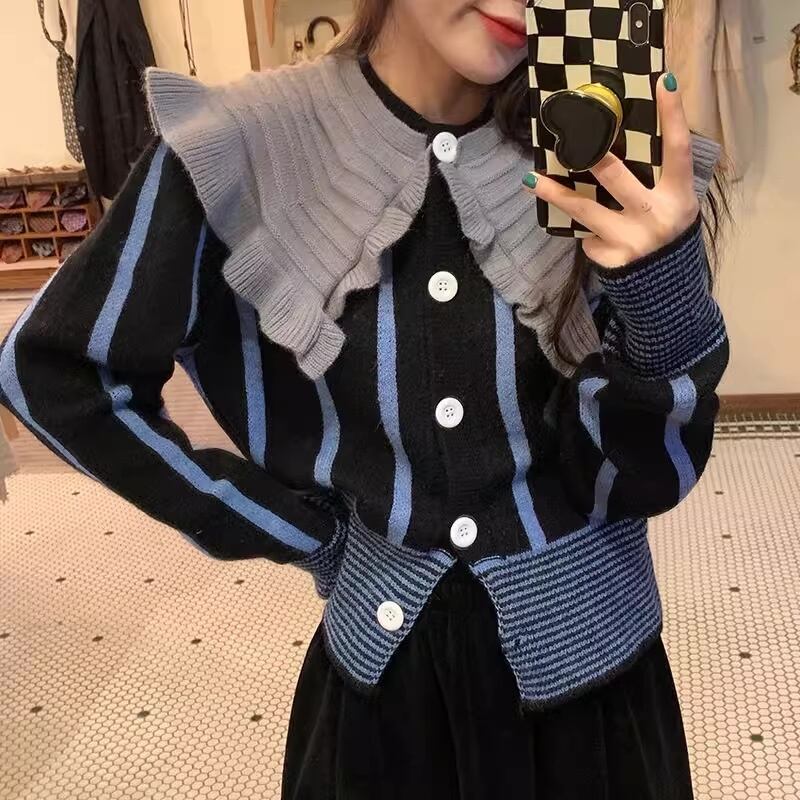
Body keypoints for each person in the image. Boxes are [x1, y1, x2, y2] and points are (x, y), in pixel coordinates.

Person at [0, 1, 729, 797]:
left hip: (601, 698)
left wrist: (663, 293)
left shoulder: (603, 131)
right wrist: (302, 533)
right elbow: (54, 373)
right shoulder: (244, 142)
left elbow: (647, 477)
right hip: (382, 702)